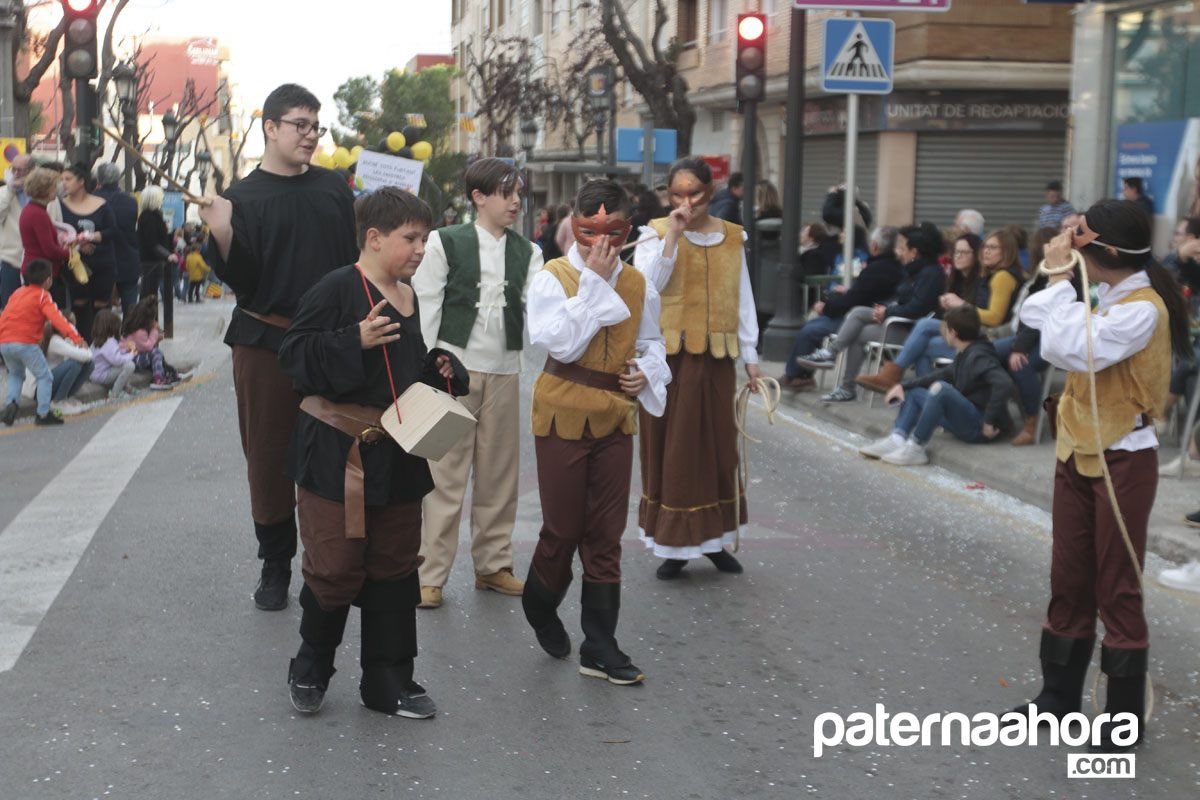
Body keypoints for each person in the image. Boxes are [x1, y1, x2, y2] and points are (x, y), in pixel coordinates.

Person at [277, 187, 468, 718]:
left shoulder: (409, 294)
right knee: (335, 565)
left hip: (399, 452)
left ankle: (388, 680)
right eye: (411, 238)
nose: (420, 249)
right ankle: (312, 665)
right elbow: (293, 355)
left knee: (394, 566)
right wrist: (351, 340)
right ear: (374, 237)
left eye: (425, 238)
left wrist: (439, 369)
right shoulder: (337, 287)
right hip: (338, 454)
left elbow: (405, 372)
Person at [1013, 199, 1191, 752]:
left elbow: (1072, 350)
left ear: (1107, 250)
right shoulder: (1100, 294)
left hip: (1123, 457)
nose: (1070, 240)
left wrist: (1067, 279)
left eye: (1080, 234)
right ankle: (1057, 701)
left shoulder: (1143, 308)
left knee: (1115, 586)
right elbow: (1033, 314)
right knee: (1068, 578)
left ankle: (1121, 723)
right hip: (1075, 449)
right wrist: (1065, 281)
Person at [199, 83, 359, 612]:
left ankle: (329, 560)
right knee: (267, 456)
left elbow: (351, 262)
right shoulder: (240, 199)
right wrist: (221, 234)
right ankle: (275, 563)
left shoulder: (335, 189)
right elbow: (244, 278)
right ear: (271, 127)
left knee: (335, 450)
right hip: (264, 338)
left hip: (331, 340)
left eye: (317, 127)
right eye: (300, 125)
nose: (311, 136)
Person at [522, 179, 670, 685]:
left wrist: (645, 372)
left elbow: (653, 343)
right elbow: (559, 343)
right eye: (589, 232)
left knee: (605, 536)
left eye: (614, 231)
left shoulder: (639, 284)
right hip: (562, 409)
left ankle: (600, 645)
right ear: (574, 227)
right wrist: (594, 285)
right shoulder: (553, 277)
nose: (602, 244)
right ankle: (539, 602)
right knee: (563, 529)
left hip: (614, 415)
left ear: (628, 230)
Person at [412, 157, 543, 609]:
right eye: (505, 193)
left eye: (518, 192)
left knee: (499, 475)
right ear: (478, 197)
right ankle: (429, 573)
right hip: (453, 370)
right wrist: (430, 363)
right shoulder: (445, 242)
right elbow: (426, 303)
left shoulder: (530, 252)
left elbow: (541, 310)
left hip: (506, 370)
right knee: (444, 476)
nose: (514, 201)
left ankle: (493, 565)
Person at [633, 156, 761, 579]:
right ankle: (673, 546)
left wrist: (752, 356)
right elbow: (647, 285)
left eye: (695, 193)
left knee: (719, 449)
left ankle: (716, 538)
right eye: (678, 194)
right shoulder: (653, 235)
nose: (687, 201)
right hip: (670, 358)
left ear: (710, 191)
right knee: (675, 449)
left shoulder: (733, 238)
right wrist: (673, 233)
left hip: (717, 358)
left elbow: (742, 298)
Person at [796, 222, 945, 402]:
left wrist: (888, 311)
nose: (899, 252)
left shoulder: (931, 274)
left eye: (903, 248)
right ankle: (835, 366)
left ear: (914, 253)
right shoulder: (914, 272)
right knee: (859, 315)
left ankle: (841, 377)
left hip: (909, 330)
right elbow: (900, 298)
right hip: (899, 322)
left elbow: (917, 308)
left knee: (859, 331)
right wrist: (883, 309)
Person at [859, 304, 1015, 465]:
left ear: (953, 333)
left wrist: (989, 422)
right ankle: (897, 439)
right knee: (915, 391)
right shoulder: (966, 351)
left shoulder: (978, 355)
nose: (943, 332)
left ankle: (916, 448)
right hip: (968, 418)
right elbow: (942, 374)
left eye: (945, 328)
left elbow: (1004, 383)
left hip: (980, 429)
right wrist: (902, 386)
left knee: (941, 389)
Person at [855, 233, 982, 393]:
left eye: (964, 252)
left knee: (923, 328)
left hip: (969, 336)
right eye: (956, 252)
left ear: (976, 255)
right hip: (950, 331)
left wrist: (960, 305)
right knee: (921, 343)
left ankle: (897, 378)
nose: (958, 256)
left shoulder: (978, 281)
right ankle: (926, 393)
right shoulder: (953, 279)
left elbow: (918, 306)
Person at [781, 226, 902, 391]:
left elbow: (856, 298)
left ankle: (798, 375)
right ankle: (797, 374)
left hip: (855, 317)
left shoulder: (877, 269)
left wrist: (826, 307)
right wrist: (847, 293)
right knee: (812, 325)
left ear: (874, 245)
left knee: (810, 330)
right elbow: (861, 294)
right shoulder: (890, 267)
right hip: (858, 312)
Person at [0, 259, 85, 426]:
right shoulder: (43, 296)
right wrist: (77, 339)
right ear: (48, 280)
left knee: (16, 374)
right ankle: (43, 413)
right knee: (45, 376)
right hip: (25, 342)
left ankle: (11, 405)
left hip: (4, 342)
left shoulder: (17, 293)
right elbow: (58, 319)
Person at [60, 163, 117, 343]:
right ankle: (81, 343)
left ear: (81, 181)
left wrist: (91, 236)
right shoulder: (60, 206)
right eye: (62, 179)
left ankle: (103, 346)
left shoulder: (101, 204)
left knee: (101, 305)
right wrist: (77, 245)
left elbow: (112, 231)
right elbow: (56, 233)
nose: (64, 184)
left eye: (68, 179)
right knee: (79, 304)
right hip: (75, 265)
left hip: (102, 263)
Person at [18, 167, 70, 309]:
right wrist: (71, 254)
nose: (57, 190)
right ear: (44, 190)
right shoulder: (38, 214)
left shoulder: (32, 210)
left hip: (35, 269)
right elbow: (49, 249)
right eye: (54, 187)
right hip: (40, 272)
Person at [93, 163, 140, 317]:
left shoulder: (93, 200)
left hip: (101, 259)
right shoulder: (130, 201)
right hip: (128, 258)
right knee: (130, 307)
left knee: (100, 309)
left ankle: (103, 338)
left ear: (99, 179)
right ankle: (130, 337)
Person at [21, 313, 93, 406]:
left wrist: (79, 345)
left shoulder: (61, 339)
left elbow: (83, 356)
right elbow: (84, 355)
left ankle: (67, 397)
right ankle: (59, 402)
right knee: (74, 365)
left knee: (89, 365)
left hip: (45, 383)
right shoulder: (54, 341)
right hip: (37, 390)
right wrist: (85, 348)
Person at [122, 295, 182, 390]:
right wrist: (155, 332)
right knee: (156, 352)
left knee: (156, 353)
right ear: (146, 320)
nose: (154, 321)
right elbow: (148, 347)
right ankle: (158, 379)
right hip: (130, 359)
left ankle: (168, 372)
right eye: (153, 319)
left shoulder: (136, 327)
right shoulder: (139, 332)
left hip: (135, 356)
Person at [1, 154, 34, 309]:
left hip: (37, 262)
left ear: (32, 171)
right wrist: (9, 191)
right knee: (10, 309)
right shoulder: (4, 192)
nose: (16, 174)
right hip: (10, 261)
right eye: (13, 169)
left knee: (33, 310)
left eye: (21, 170)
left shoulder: (43, 193)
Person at [136, 186, 173, 302]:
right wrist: (167, 255)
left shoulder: (151, 216)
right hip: (151, 262)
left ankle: (150, 319)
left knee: (150, 294)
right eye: (160, 197)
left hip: (152, 260)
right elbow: (151, 242)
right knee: (148, 295)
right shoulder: (149, 217)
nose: (162, 200)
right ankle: (147, 319)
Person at [89, 308, 137, 397]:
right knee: (129, 366)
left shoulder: (98, 341)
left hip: (96, 375)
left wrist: (126, 350)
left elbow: (113, 354)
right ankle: (115, 393)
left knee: (124, 365)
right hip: (102, 375)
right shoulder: (109, 341)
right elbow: (117, 360)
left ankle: (125, 387)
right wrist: (132, 353)